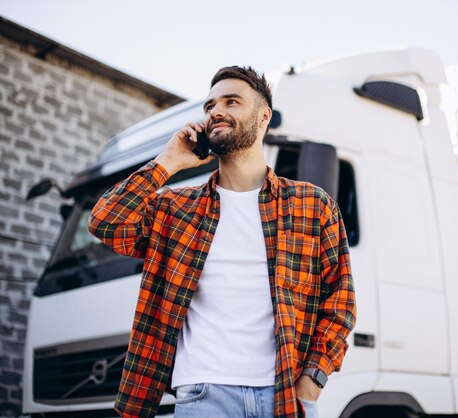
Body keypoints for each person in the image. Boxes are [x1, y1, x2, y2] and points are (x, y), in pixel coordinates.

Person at [88, 66, 356, 418]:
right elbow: (106, 221)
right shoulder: (175, 208)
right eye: (210, 105)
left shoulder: (311, 204)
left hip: (286, 397)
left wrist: (311, 380)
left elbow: (341, 301)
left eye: (232, 102)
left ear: (263, 118)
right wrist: (167, 162)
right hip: (204, 395)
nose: (216, 111)